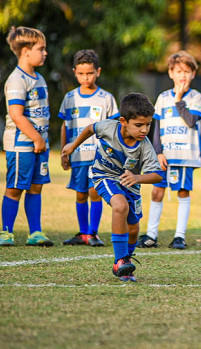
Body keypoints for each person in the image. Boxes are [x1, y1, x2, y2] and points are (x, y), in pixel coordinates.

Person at [61, 93, 161, 282]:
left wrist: (137, 177)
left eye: (148, 124)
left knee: (133, 230)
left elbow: (157, 175)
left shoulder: (144, 145)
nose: (144, 130)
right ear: (123, 121)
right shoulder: (108, 127)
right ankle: (120, 260)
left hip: (130, 183)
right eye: (139, 125)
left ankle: (126, 264)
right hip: (104, 176)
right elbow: (90, 129)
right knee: (120, 206)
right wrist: (72, 146)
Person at [138, 51, 201, 250]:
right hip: (165, 156)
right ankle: (151, 234)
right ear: (170, 73)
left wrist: (179, 100)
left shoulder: (196, 97)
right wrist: (157, 152)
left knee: (182, 193)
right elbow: (156, 128)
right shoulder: (162, 98)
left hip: (185, 157)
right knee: (157, 192)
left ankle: (179, 236)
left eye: (187, 71)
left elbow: (191, 121)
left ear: (193, 74)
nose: (182, 75)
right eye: (178, 71)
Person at [59, 49, 120, 247]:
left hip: (99, 157)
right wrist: (64, 151)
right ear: (75, 72)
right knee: (80, 192)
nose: (86, 77)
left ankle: (93, 233)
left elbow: (113, 129)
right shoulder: (69, 98)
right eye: (81, 73)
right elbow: (64, 126)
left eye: (90, 73)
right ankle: (83, 233)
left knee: (95, 192)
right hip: (77, 155)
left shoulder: (106, 98)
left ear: (98, 72)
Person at [0, 26, 53, 247]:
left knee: (36, 186)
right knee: (15, 187)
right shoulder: (16, 80)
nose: (45, 53)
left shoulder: (39, 78)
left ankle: (35, 232)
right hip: (22, 145)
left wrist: (42, 140)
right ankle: (6, 232)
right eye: (41, 48)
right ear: (25, 51)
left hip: (40, 144)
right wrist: (36, 138)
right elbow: (16, 115)